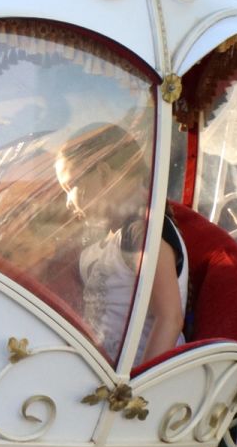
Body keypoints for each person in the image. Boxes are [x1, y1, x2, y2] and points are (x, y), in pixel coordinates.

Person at [53, 121, 184, 365]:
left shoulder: (142, 232)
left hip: (132, 379)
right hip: (97, 367)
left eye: (70, 186)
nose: (68, 202)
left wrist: (133, 389)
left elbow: (170, 317)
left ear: (103, 173)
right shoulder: (103, 239)